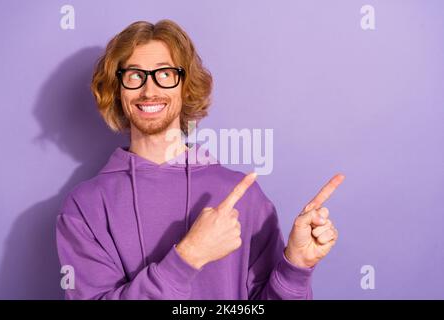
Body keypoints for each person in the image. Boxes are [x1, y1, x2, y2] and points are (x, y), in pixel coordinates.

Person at [56, 19, 345, 300]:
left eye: (165, 74)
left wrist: (296, 267)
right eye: (134, 75)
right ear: (118, 91)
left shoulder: (241, 194)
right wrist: (188, 256)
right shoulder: (85, 207)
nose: (149, 90)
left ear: (186, 86)